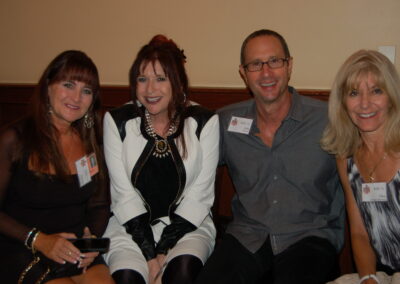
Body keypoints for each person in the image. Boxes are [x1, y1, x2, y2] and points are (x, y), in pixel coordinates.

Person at [195, 29, 345, 284]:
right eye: (255, 64)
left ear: (289, 65)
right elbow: (189, 167)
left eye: (274, 61)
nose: (266, 73)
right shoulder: (224, 122)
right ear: (243, 72)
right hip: (247, 237)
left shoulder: (328, 119)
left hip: (310, 237)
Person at [102, 35, 219, 284]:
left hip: (189, 226)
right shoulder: (117, 120)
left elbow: (200, 196)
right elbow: (123, 195)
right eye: (142, 79)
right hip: (129, 227)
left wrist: (163, 250)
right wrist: (148, 254)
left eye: (160, 79)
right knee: (127, 278)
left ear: (177, 82)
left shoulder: (204, 121)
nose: (150, 89)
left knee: (182, 272)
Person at [0, 50, 114, 283]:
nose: (76, 97)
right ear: (47, 86)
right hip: (22, 246)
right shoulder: (14, 139)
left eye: (86, 91)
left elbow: (99, 206)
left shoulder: (91, 141)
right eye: (68, 84)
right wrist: (38, 239)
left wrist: (91, 241)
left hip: (74, 250)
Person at [321, 50, 400, 283]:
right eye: (354, 93)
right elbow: (358, 232)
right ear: (343, 102)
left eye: (376, 90)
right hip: (383, 270)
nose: (365, 103)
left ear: (392, 97)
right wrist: (368, 278)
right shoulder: (346, 159)